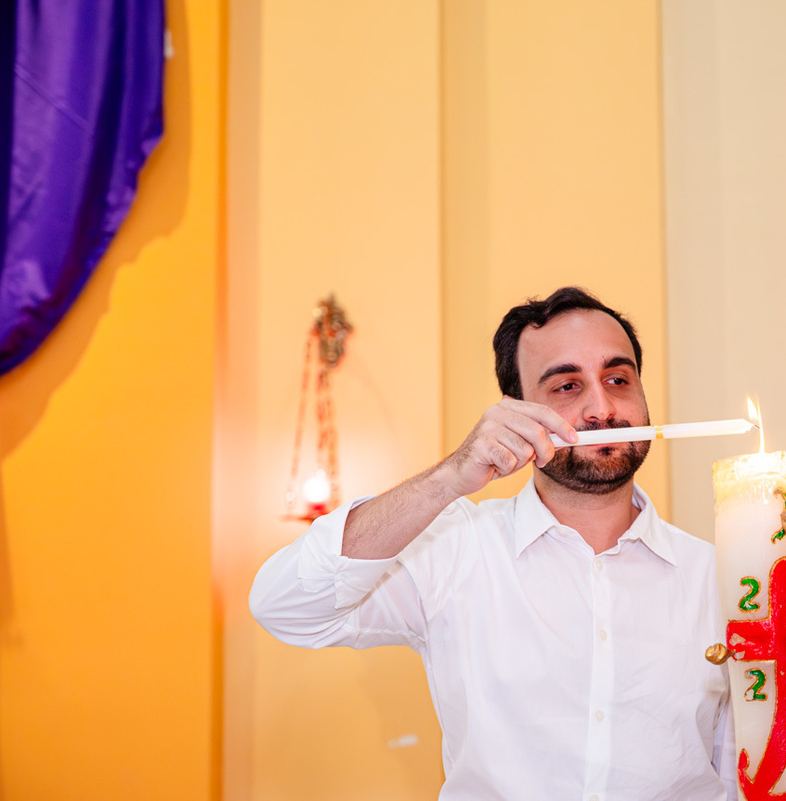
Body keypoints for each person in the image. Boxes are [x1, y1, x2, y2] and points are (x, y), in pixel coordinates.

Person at [250, 286, 738, 800]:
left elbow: (744, 767)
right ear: (519, 413)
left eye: (618, 379)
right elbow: (286, 607)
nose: (602, 408)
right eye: (567, 386)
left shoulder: (719, 577)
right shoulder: (456, 549)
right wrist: (449, 477)